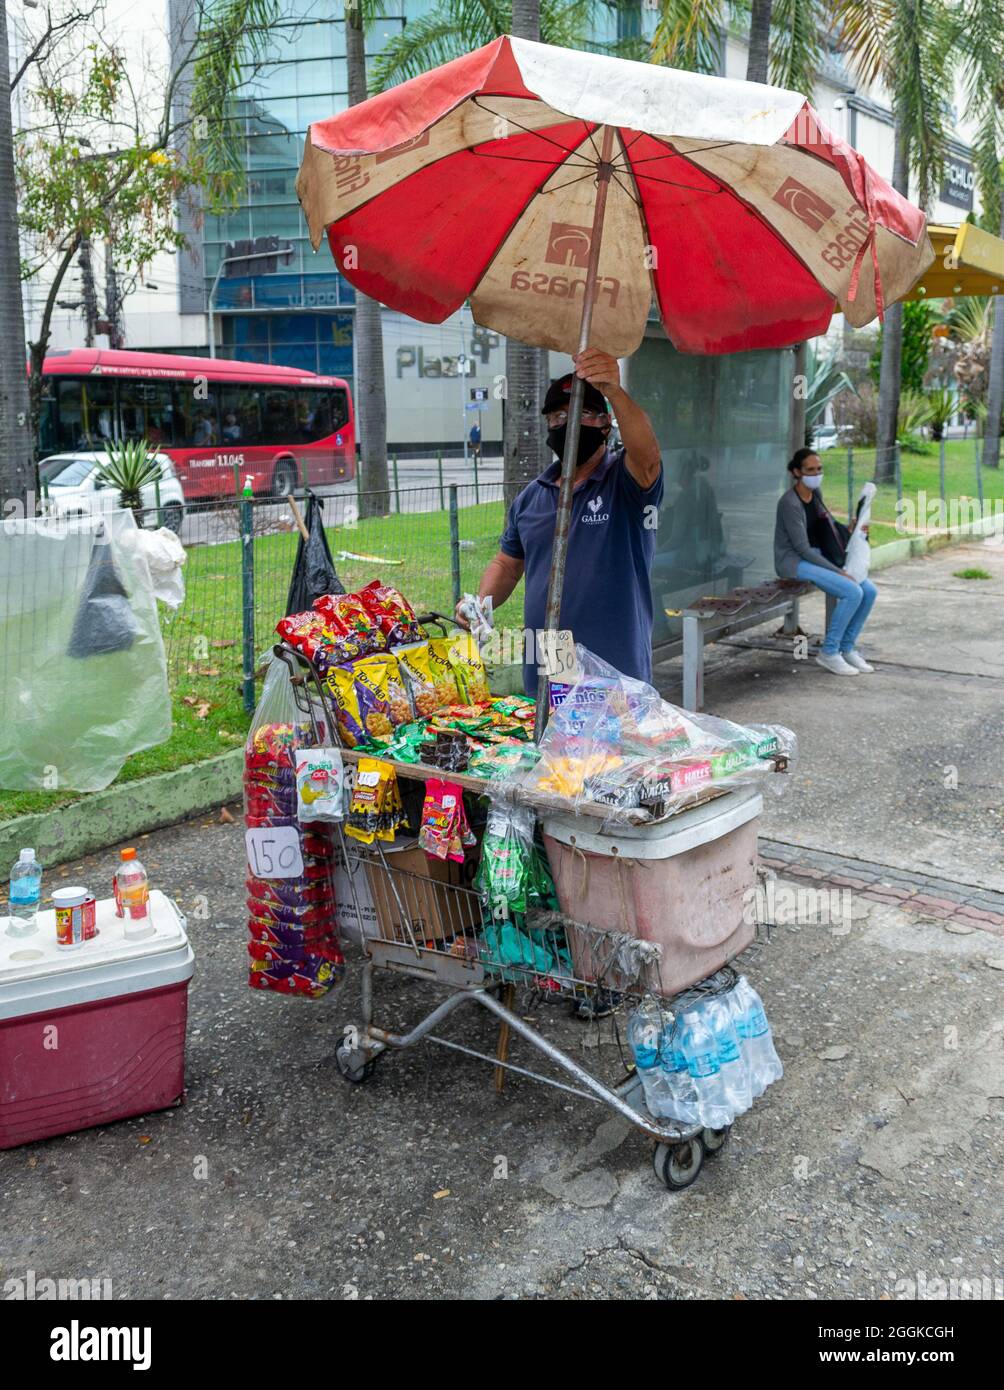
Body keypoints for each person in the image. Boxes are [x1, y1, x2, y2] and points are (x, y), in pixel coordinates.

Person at [459, 348, 663, 696]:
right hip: (554, 658)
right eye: (556, 416)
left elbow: (647, 456)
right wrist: (479, 605)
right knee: (556, 744)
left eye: (581, 412)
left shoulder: (625, 482)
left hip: (616, 666)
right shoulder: (532, 497)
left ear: (604, 423)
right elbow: (507, 565)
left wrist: (613, 389)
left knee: (612, 748)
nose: (566, 423)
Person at [774, 447, 876, 676]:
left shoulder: (815, 492)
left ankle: (846, 648)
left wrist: (852, 529)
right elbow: (801, 548)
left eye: (819, 469)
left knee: (869, 591)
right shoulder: (789, 503)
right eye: (810, 470)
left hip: (817, 555)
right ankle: (829, 652)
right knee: (852, 591)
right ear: (796, 472)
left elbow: (825, 525)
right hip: (793, 561)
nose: (816, 474)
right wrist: (837, 572)